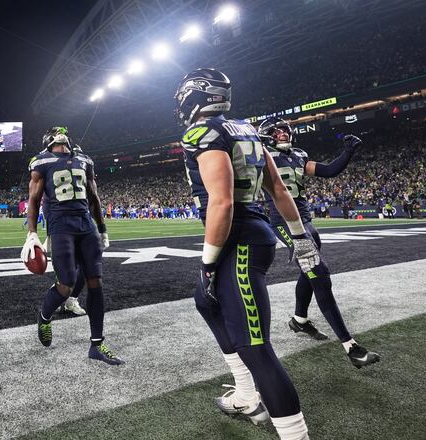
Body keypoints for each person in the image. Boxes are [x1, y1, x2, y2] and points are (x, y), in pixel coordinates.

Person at [175, 68, 317, 438]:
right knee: (205, 302)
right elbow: (279, 191)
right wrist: (300, 238)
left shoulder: (203, 133)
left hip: (237, 240)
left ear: (196, 97)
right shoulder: (249, 129)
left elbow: (221, 203)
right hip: (253, 235)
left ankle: (294, 434)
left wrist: (207, 263)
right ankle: (245, 394)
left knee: (255, 347)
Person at [258, 117, 381, 370]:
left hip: (306, 221)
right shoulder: (260, 155)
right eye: (277, 131)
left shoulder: (299, 155)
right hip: (284, 223)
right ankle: (350, 346)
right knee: (320, 274)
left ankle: (300, 319)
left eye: (285, 130)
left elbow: (327, 170)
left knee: (310, 272)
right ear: (267, 135)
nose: (283, 133)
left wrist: (347, 151)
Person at [21, 126, 120, 365]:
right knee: (66, 284)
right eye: (57, 132)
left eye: (64, 131)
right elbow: (34, 200)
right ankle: (45, 316)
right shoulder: (41, 161)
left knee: (95, 281)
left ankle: (97, 344)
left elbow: (94, 197)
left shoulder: (84, 159)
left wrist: (103, 228)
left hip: (86, 224)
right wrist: (32, 233)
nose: (62, 133)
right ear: (48, 140)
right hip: (61, 225)